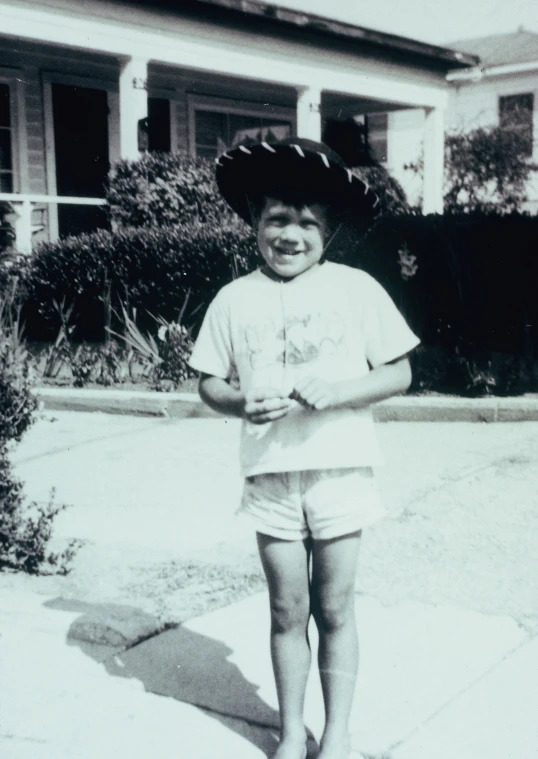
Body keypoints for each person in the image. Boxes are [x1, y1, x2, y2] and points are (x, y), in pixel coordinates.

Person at [188, 138, 420, 759]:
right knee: (288, 609)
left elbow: (398, 372)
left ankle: (337, 732)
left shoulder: (356, 288)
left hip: (339, 474)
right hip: (270, 477)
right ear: (255, 222)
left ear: (330, 231)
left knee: (335, 607)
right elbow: (208, 381)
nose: (291, 235)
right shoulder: (235, 299)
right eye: (277, 219)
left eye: (308, 222)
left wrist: (341, 390)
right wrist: (239, 401)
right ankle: (292, 732)